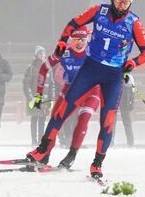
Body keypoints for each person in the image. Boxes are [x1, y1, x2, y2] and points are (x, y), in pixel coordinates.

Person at [26, 0, 145, 179]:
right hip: (91, 68)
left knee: (107, 120)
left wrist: (133, 63)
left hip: (114, 75)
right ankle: (43, 150)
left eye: (127, 2)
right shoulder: (99, 11)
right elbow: (72, 24)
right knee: (62, 108)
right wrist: (61, 42)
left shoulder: (134, 22)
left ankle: (97, 164)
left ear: (131, 3)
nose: (122, 5)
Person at [31, 26, 101, 169]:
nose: (80, 43)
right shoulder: (64, 52)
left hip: (92, 91)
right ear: (71, 39)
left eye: (83, 39)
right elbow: (43, 69)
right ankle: (45, 155)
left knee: (83, 119)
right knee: (55, 119)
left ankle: (71, 156)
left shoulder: (94, 52)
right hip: (70, 90)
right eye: (76, 39)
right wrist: (38, 95)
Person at [23, 45, 55, 146]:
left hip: (45, 98)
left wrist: (52, 99)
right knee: (34, 119)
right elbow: (26, 83)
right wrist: (30, 98)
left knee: (42, 119)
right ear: (36, 55)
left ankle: (41, 139)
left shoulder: (48, 67)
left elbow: (52, 84)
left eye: (43, 53)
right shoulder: (32, 68)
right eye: (40, 53)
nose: (42, 55)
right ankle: (34, 140)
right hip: (36, 98)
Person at [112, 74, 136, 148]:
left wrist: (132, 101)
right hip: (114, 101)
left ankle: (130, 143)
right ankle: (110, 143)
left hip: (125, 101)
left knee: (127, 124)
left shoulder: (129, 76)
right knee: (111, 124)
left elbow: (133, 89)